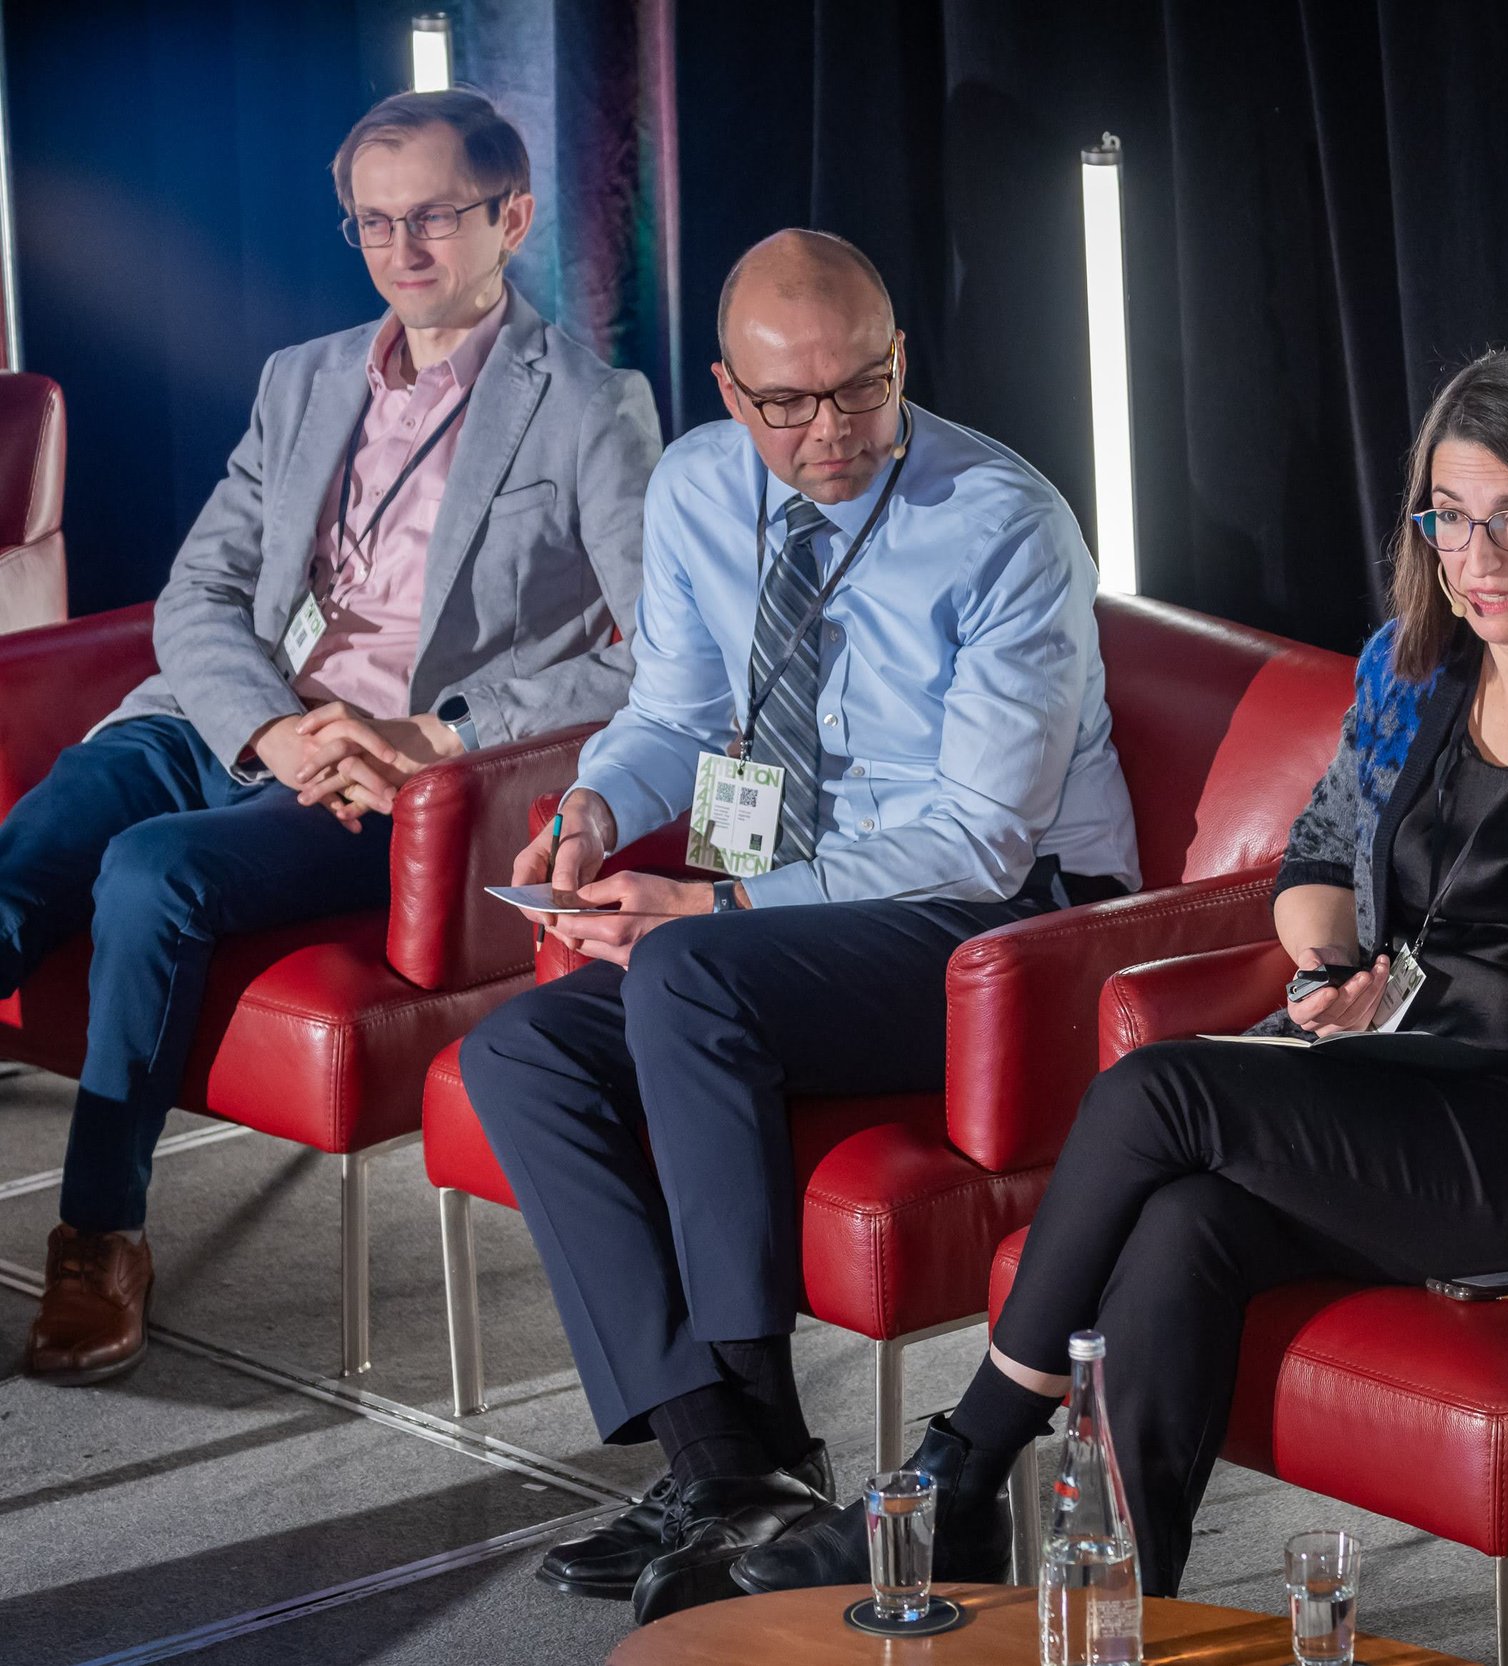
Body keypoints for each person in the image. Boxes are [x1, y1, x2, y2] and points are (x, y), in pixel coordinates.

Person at [730, 344, 1508, 1604]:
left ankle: (959, 1474)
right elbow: (1319, 855)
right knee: (1186, 1226)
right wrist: (1332, 962)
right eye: (1451, 519)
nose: (1480, 557)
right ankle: (1123, 1611)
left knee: (1156, 1093)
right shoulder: (1413, 669)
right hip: (1401, 1087)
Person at [458, 228, 1140, 1624]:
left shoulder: (1005, 520)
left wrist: (718, 899)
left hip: (996, 935)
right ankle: (731, 1466)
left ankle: (750, 1442)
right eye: (789, 404)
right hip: (778, 910)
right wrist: (592, 808)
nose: (830, 432)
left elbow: (980, 837)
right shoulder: (702, 487)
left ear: (900, 363)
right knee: (521, 1048)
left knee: (692, 970)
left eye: (863, 391)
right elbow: (676, 714)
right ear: (726, 388)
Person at [9, 89, 657, 1386]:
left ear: (512, 217)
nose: (401, 250)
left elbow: (651, 659)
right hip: (226, 718)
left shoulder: (595, 407)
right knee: (33, 851)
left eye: (431, 219)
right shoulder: (301, 378)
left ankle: (98, 1235)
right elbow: (197, 592)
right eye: (373, 223)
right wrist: (268, 724)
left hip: (392, 781)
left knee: (151, 874)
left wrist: (439, 731)